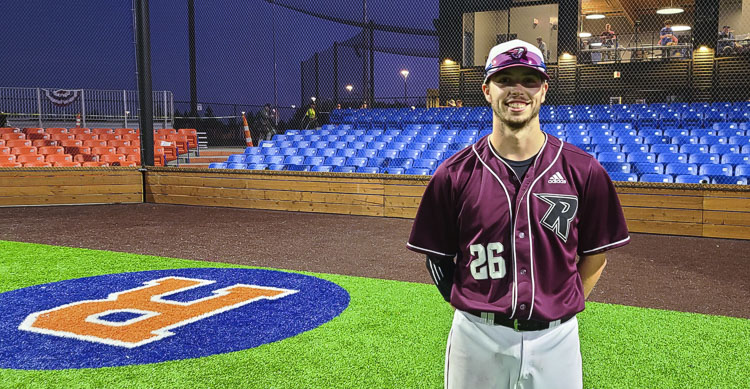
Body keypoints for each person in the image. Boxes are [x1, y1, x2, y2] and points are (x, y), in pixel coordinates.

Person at [407, 39, 630, 389]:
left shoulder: (584, 170)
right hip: (477, 337)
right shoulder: (453, 174)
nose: (517, 89)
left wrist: (557, 303)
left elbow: (595, 255)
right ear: (486, 90)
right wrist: (475, 305)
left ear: (543, 90)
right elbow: (438, 259)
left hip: (556, 341)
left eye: (528, 80)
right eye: (505, 79)